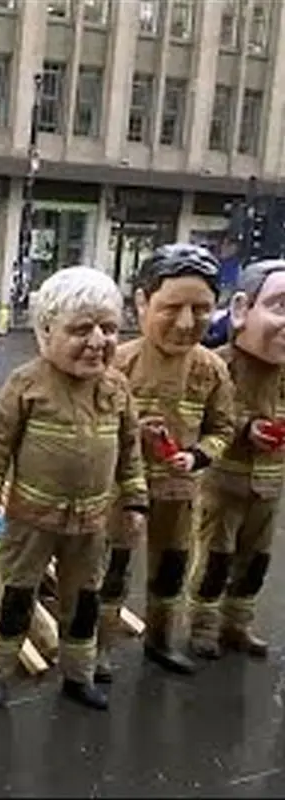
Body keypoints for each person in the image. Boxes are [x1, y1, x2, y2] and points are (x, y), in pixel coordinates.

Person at [0, 266, 147, 712]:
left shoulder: (117, 387)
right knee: (15, 596)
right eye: (80, 329)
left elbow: (130, 449)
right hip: (31, 521)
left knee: (84, 600)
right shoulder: (26, 384)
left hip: (91, 524)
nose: (97, 341)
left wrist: (136, 499)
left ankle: (78, 674)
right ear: (45, 332)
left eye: (108, 328)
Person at [94, 245, 235, 681]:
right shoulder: (117, 363)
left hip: (179, 493)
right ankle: (98, 649)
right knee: (112, 571)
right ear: (141, 303)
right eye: (172, 308)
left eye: (202, 309)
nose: (187, 322)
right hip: (122, 494)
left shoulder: (212, 369)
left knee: (171, 569)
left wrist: (195, 456)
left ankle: (160, 641)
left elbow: (223, 430)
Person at [188, 259, 285, 660]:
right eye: (280, 306)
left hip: (269, 483)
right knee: (215, 556)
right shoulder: (218, 363)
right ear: (243, 309)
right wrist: (247, 429)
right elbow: (201, 417)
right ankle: (203, 626)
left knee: (256, 559)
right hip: (223, 481)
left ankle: (238, 623)